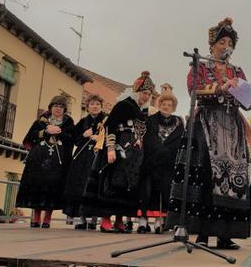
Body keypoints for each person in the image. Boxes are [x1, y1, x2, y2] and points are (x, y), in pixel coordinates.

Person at [166, 17, 251, 249]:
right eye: (222, 41)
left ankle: (225, 234)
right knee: (206, 176)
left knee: (232, 177)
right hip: (207, 125)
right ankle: (202, 233)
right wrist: (221, 88)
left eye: (230, 42)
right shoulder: (200, 65)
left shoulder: (237, 71)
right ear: (212, 45)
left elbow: (247, 105)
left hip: (232, 128)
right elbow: (193, 91)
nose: (226, 45)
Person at [82, 72, 154, 233]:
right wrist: (111, 148)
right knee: (112, 183)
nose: (146, 96)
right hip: (118, 148)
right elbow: (111, 126)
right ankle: (106, 220)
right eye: (144, 93)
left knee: (128, 186)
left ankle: (120, 220)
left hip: (133, 155)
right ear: (137, 91)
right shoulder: (124, 105)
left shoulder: (142, 110)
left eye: (149, 94)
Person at [16, 95, 74, 228]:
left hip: (58, 163)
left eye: (61, 106)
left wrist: (59, 132)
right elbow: (30, 136)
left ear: (64, 109)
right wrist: (46, 131)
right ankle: (36, 217)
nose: (58, 109)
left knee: (53, 188)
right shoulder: (41, 121)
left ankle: (47, 217)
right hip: (39, 160)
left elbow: (72, 139)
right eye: (55, 106)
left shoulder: (69, 122)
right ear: (51, 108)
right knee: (37, 185)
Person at [138, 92, 184, 234]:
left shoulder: (178, 122)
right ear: (159, 105)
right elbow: (149, 138)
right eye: (163, 104)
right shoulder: (151, 120)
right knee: (146, 191)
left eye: (169, 105)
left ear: (173, 107)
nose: (166, 107)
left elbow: (179, 140)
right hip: (151, 161)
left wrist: (166, 152)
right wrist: (159, 151)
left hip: (168, 163)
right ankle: (143, 221)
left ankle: (160, 221)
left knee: (164, 191)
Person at [63, 94, 107, 230]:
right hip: (82, 158)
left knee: (94, 186)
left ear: (101, 107)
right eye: (92, 104)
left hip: (97, 156)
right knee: (80, 187)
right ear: (88, 107)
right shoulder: (82, 122)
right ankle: (81, 218)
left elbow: (110, 137)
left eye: (97, 104)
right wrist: (84, 135)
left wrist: (99, 138)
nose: (95, 106)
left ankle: (93, 219)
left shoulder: (107, 121)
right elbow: (75, 140)